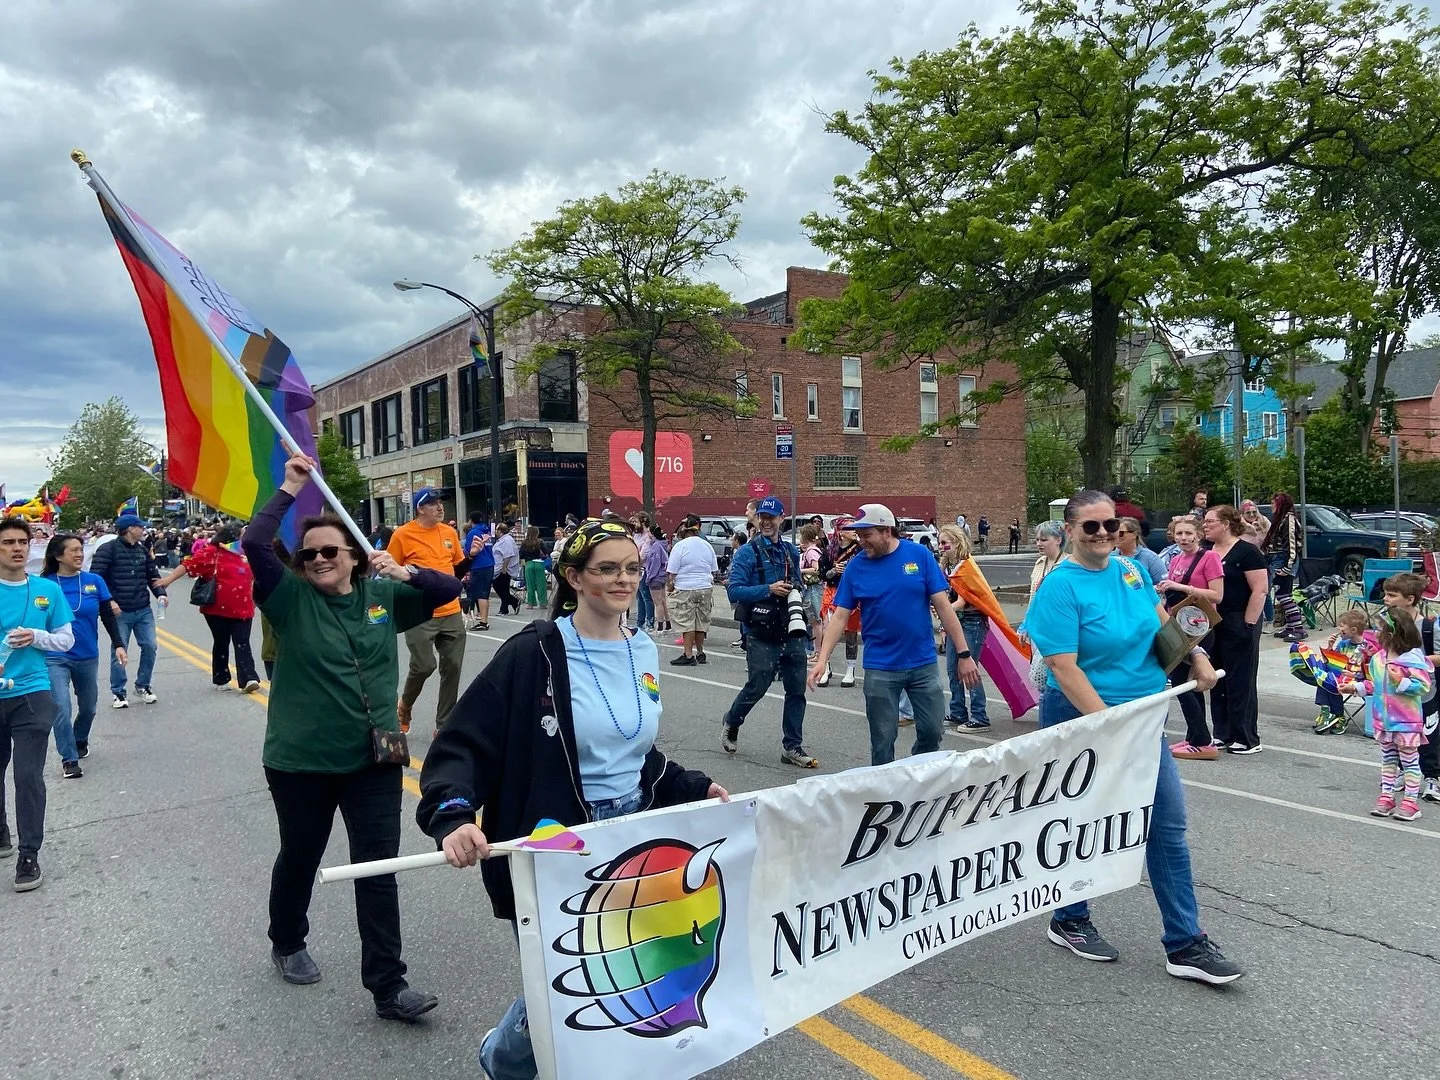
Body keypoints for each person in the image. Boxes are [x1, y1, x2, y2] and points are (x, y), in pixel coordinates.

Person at [415, 517, 728, 1080]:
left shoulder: (644, 650)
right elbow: (468, 742)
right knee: (562, 987)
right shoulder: (534, 652)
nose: (623, 579)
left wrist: (690, 785)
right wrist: (454, 813)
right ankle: (504, 1060)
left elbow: (633, 754)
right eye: (607, 569)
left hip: (631, 837)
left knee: (623, 979)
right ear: (573, 576)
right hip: (554, 841)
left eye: (631, 568)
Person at [242, 455, 458, 1022]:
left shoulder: (382, 599)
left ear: (355, 557)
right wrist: (290, 488)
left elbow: (449, 586)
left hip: (375, 762)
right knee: (302, 853)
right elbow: (256, 543)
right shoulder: (289, 600)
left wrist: (408, 572)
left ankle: (389, 987)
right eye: (310, 553)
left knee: (377, 867)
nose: (317, 560)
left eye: (330, 551)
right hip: (301, 763)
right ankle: (287, 939)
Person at [1025, 490, 1242, 984]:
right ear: (1071, 532)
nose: (1104, 534)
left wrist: (1197, 657)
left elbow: (1163, 622)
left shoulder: (1131, 571)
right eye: (1091, 528)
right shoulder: (1061, 586)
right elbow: (1063, 666)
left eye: (1111, 525)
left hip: (1144, 713)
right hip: (1085, 716)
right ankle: (1070, 918)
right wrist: (1109, 724)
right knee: (1081, 819)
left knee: (1165, 825)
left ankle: (1185, 943)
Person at [807, 504, 980, 766]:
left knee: (933, 730)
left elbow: (944, 607)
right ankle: (885, 791)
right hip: (880, 668)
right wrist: (822, 659)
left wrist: (964, 654)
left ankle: (918, 772)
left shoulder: (919, 556)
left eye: (867, 535)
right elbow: (840, 616)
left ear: (887, 531)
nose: (861, 541)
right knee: (883, 737)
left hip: (922, 663)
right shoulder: (856, 567)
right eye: (859, 535)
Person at [0, 516, 74, 891]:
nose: (16, 548)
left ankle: (29, 853)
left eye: (22, 542)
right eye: (8, 542)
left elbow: (66, 640)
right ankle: (1, 829)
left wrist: (37, 636)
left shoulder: (47, 590)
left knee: (28, 775)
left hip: (32, 692)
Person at [721, 496, 818, 769]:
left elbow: (796, 581)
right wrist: (768, 589)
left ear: (781, 519)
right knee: (758, 685)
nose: (766, 522)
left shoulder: (790, 551)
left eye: (771, 517)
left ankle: (792, 747)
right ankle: (732, 720)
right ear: (757, 519)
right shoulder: (746, 553)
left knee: (796, 691)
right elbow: (734, 589)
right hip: (760, 631)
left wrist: (799, 591)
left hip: (791, 630)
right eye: (762, 517)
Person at [42, 533, 126, 778]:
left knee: (88, 707)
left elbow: (108, 615)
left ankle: (79, 739)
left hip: (87, 655)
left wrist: (119, 644)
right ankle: (69, 759)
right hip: (54, 656)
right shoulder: (44, 584)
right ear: (58, 556)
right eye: (73, 550)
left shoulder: (94, 581)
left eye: (81, 549)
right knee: (61, 708)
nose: (79, 554)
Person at [387, 489, 467, 734]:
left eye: (440, 502)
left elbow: (457, 569)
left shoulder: (450, 532)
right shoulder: (402, 535)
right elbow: (389, 570)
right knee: (423, 666)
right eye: (432, 503)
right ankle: (405, 706)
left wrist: (472, 556)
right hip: (420, 613)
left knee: (452, 667)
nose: (440, 507)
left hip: (451, 611)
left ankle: (444, 726)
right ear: (420, 508)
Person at [1348, 608, 1433, 820]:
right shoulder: (1379, 658)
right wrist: (1356, 687)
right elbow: (1376, 685)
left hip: (1406, 721)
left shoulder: (1412, 658)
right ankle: (1386, 797)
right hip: (1383, 720)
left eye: (1379, 629)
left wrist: (1402, 682)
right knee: (1388, 759)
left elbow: (1423, 686)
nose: (1375, 633)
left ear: (1393, 633)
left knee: (1410, 761)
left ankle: (1410, 803)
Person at [159, 524, 261, 693]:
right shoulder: (211, 552)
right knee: (222, 642)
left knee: (242, 642)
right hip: (217, 608)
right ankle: (221, 678)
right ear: (231, 537)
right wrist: (168, 580)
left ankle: (248, 677)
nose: (243, 538)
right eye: (240, 535)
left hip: (243, 606)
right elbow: (188, 565)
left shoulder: (246, 552)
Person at [1202, 504, 1269, 754]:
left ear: (1226, 524)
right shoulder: (1207, 551)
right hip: (1213, 621)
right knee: (1217, 677)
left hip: (1240, 618)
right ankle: (1222, 732)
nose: (1205, 526)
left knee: (1240, 678)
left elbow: (1260, 589)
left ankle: (1246, 736)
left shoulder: (1247, 552)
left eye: (1210, 521)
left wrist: (1249, 623)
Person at [1157, 517, 1225, 759]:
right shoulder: (1175, 559)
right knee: (1181, 682)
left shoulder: (1210, 558)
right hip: (1179, 623)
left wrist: (1183, 588)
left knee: (1184, 682)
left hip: (1201, 625)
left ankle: (1202, 740)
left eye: (1188, 533)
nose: (1183, 538)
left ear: (1198, 535)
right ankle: (1194, 735)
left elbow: (1217, 595)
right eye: (1179, 534)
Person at [1372, 572, 1440, 798]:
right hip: (1394, 694)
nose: (1386, 599)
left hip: (1423, 691)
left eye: (1391, 595)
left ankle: (1432, 776)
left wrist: (1416, 663)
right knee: (1400, 738)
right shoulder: (1387, 623)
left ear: (1410, 599)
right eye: (1385, 594)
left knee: (1428, 736)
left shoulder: (1429, 626)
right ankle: (1405, 771)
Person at [89, 512, 168, 708]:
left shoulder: (142, 549)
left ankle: (143, 685)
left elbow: (152, 575)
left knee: (150, 646)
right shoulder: (108, 550)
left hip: (142, 608)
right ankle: (118, 692)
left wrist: (160, 593)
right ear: (130, 529)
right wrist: (109, 601)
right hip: (119, 611)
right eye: (140, 527)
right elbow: (96, 579)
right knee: (120, 650)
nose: (144, 530)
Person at [936, 525, 991, 731]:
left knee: (968, 669)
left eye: (945, 543)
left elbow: (964, 600)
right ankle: (958, 712)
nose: (941, 547)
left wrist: (944, 610)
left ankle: (980, 716)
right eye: (939, 543)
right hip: (956, 622)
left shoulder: (967, 567)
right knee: (952, 670)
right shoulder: (947, 567)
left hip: (972, 621)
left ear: (957, 542)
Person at [1293, 609, 1370, 735]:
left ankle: (1336, 715)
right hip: (1340, 676)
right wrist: (1330, 647)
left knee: (1328, 680)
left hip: (1358, 678)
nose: (1338, 629)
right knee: (1324, 676)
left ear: (1353, 630)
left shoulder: (1367, 647)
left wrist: (1355, 675)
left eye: (1341, 626)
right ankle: (1329, 713)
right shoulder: (1343, 643)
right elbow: (1333, 662)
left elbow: (1370, 669)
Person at [665, 514, 718, 665]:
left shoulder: (680, 546)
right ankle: (701, 653)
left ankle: (688, 655)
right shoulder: (707, 545)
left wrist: (670, 588)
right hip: (705, 587)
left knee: (687, 621)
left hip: (685, 587)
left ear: (685, 531)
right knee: (701, 621)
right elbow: (714, 569)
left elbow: (672, 571)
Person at [817, 515, 862, 687]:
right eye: (851, 528)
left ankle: (850, 671)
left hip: (852, 592)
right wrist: (834, 571)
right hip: (832, 592)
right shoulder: (829, 550)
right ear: (841, 532)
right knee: (828, 629)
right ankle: (825, 667)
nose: (854, 531)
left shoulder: (859, 550)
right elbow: (821, 574)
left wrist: (850, 571)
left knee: (851, 632)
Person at [1262, 492, 1303, 636]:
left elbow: (1292, 545)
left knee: (1284, 595)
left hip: (1283, 560)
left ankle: (1298, 627)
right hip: (1277, 559)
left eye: (1273, 503)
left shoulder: (1289, 519)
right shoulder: (1281, 519)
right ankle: (1291, 626)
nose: (1271, 506)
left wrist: (1288, 566)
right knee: (1282, 594)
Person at [462, 512, 494, 631]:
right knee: (484, 594)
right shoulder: (486, 532)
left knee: (480, 594)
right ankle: (484, 619)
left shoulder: (473, 533)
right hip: (489, 564)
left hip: (479, 565)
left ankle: (483, 621)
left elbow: (469, 550)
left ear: (471, 520)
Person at [797, 524, 826, 657]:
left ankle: (818, 652)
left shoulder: (811, 552)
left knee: (816, 622)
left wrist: (800, 571)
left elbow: (816, 569)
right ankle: (817, 651)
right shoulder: (812, 550)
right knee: (815, 622)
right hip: (813, 588)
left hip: (813, 588)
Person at [1115, 518, 1166, 587]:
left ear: (1134, 534)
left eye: (1120, 533)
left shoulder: (1150, 558)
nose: (1116, 536)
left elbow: (1163, 585)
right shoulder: (1110, 558)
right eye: (1114, 533)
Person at [643, 525, 670, 633]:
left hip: (655, 577)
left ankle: (659, 626)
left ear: (653, 534)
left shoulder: (656, 546)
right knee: (663, 601)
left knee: (657, 602)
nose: (648, 534)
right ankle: (668, 624)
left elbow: (655, 564)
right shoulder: (663, 544)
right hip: (662, 576)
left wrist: (649, 577)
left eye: (649, 532)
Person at [490, 522, 520, 617]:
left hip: (504, 569)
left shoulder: (507, 540)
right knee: (500, 587)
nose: (495, 532)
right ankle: (513, 602)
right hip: (499, 567)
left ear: (500, 531)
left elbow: (508, 555)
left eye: (497, 530)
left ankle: (504, 609)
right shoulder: (502, 540)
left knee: (502, 587)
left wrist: (504, 568)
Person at [518, 526, 549, 611]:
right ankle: (543, 603)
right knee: (541, 585)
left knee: (529, 585)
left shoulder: (524, 543)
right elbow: (546, 552)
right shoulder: (540, 541)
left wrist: (524, 565)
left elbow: (521, 555)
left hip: (528, 564)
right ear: (537, 533)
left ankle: (530, 604)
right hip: (539, 563)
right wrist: (543, 557)